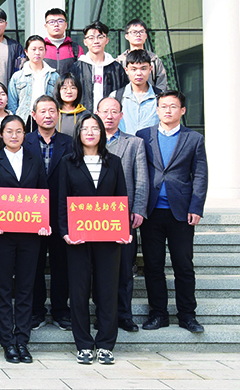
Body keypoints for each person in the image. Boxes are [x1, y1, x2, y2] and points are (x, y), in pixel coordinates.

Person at [59, 113, 128, 365]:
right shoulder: (68, 162)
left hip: (108, 237)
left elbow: (121, 197)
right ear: (78, 133)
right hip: (78, 237)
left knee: (107, 290)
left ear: (102, 133)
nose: (90, 132)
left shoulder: (114, 162)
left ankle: (106, 344)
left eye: (95, 128)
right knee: (79, 292)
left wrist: (123, 230)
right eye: (85, 128)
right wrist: (65, 231)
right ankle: (84, 344)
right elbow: (62, 200)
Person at [137, 90, 208, 333]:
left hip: (181, 212)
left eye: (173, 106)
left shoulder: (194, 139)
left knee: (183, 266)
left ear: (182, 110)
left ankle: (187, 315)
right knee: (153, 265)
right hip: (151, 211)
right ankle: (158, 314)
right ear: (157, 110)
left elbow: (200, 175)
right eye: (163, 106)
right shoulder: (143, 136)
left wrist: (196, 207)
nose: (168, 110)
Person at [0, 115, 49, 364]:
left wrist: (44, 222)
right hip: (2, 235)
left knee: (25, 288)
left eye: (19, 131)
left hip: (30, 235)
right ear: (1, 134)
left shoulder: (35, 160)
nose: (14, 135)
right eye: (9, 131)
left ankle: (22, 340)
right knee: (2, 288)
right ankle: (7, 342)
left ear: (24, 134)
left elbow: (43, 193)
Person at [96, 96, 148, 333]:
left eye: (114, 111)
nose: (109, 116)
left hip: (122, 217)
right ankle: (102, 315)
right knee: (98, 270)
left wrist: (138, 209)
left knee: (125, 268)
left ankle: (124, 315)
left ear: (121, 115)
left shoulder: (134, 143)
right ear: (97, 114)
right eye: (105, 111)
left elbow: (141, 179)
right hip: (93, 217)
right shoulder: (88, 142)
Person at [23, 95, 73, 332]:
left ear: (58, 114)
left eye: (52, 111)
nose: (48, 115)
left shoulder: (69, 142)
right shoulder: (24, 141)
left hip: (61, 212)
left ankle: (61, 310)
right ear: (34, 115)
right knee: (33, 263)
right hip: (31, 213)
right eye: (42, 111)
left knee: (61, 263)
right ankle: (36, 310)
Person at [70, 21, 126, 110]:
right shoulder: (77, 68)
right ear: (85, 42)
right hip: (84, 115)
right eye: (91, 38)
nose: (96, 41)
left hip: (109, 116)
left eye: (100, 37)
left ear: (107, 40)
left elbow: (123, 94)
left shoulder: (116, 68)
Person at [7, 35, 59, 123]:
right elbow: (12, 104)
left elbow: (58, 102)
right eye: (33, 49)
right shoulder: (17, 76)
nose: (37, 53)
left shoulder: (54, 76)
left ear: (45, 51)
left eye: (41, 49)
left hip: (47, 119)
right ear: (26, 52)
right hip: (24, 120)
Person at [109, 49, 160, 135]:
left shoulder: (160, 97)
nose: (139, 73)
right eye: (133, 69)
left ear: (150, 69)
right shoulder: (116, 96)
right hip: (124, 143)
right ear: (126, 70)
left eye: (143, 69)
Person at [116, 18, 168, 92]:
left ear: (146, 36)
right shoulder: (119, 61)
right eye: (134, 32)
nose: (138, 35)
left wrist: (157, 96)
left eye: (141, 32)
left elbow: (162, 84)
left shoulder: (154, 59)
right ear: (126, 36)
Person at [41, 8, 82, 76]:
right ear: (46, 26)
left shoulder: (75, 48)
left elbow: (82, 73)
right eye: (51, 22)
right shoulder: (41, 48)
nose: (56, 25)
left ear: (66, 25)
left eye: (60, 21)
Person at [55, 73, 86, 137]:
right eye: (64, 88)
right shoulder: (53, 114)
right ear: (58, 91)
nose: (69, 91)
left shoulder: (85, 115)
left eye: (73, 88)